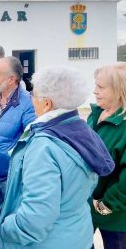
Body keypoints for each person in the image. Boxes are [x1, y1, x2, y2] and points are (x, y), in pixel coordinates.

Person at [0, 66, 114, 249]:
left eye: (33, 94)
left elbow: (36, 217)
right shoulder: (81, 130)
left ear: (47, 104)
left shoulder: (43, 147)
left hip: (48, 242)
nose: (30, 98)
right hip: (78, 236)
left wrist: (6, 229)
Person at [0, 56, 36, 248]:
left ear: (12, 79)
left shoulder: (27, 103)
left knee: (11, 229)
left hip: (12, 180)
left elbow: (32, 141)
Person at [88, 63, 126, 249]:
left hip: (116, 216)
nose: (95, 91)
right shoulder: (94, 115)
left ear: (120, 90)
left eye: (101, 87)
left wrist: (107, 204)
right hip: (87, 207)